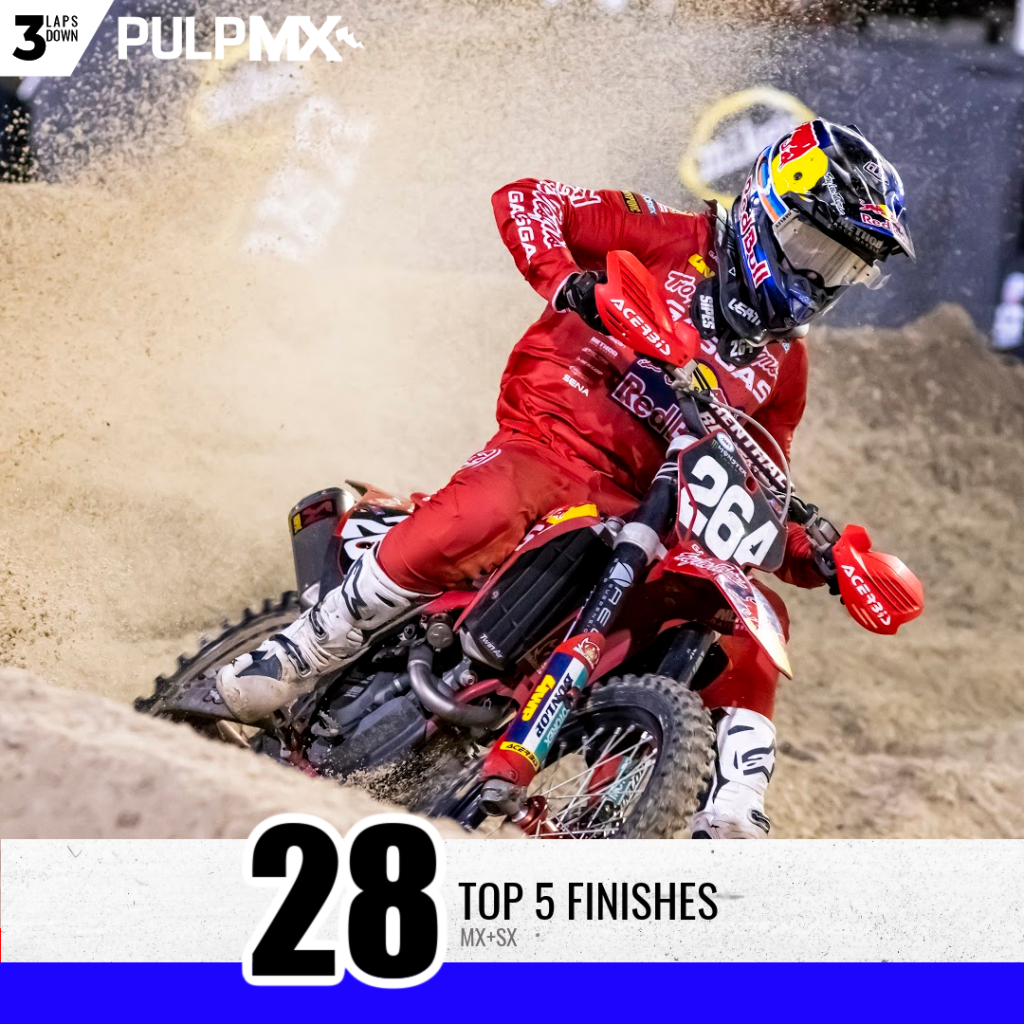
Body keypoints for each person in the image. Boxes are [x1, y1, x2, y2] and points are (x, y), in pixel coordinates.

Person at [177, 118, 915, 838]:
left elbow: (759, 473)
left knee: (747, 618)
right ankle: (300, 652)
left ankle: (726, 808)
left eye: (842, 267)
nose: (817, 277)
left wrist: (822, 556)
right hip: (555, 442)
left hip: (648, 510)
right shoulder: (669, 235)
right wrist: (572, 285)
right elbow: (528, 200)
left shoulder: (786, 366)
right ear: (765, 212)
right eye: (813, 246)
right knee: (493, 504)